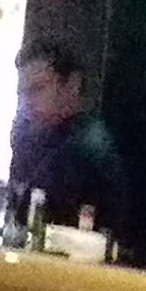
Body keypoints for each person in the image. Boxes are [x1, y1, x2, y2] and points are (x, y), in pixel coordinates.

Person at [8, 38, 129, 232]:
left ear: (72, 85)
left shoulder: (86, 146)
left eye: (38, 88)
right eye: (22, 93)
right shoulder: (37, 139)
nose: (27, 102)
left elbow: (28, 218)